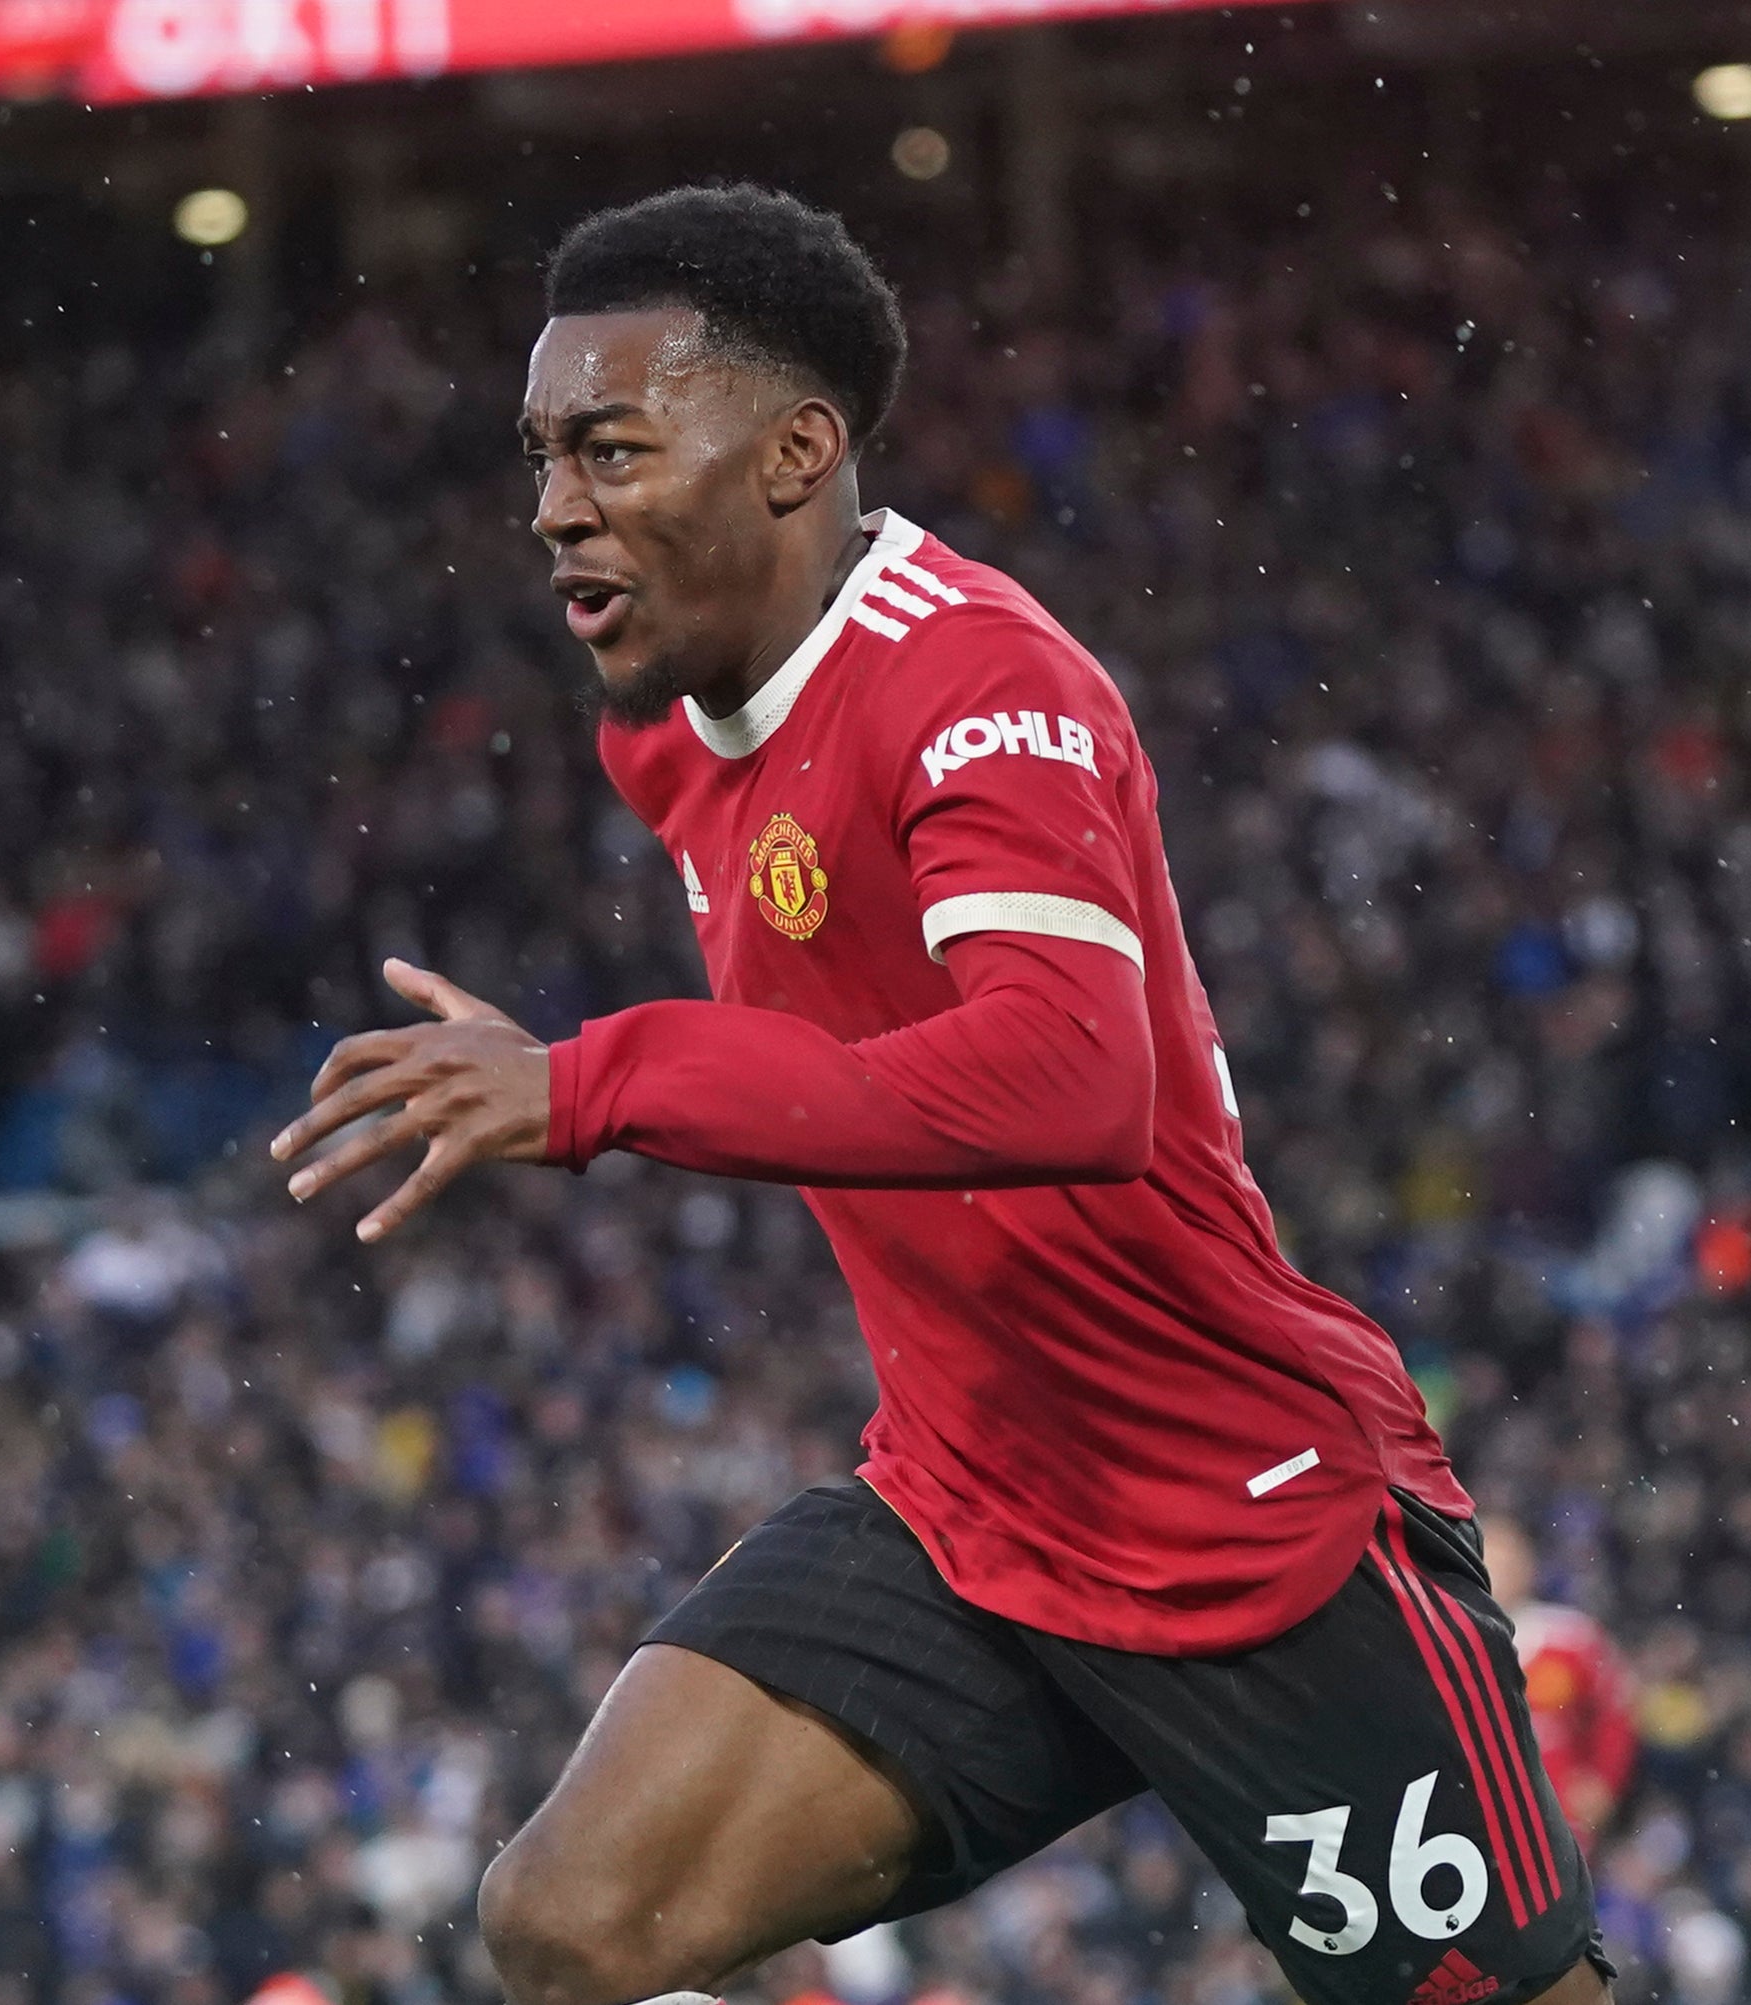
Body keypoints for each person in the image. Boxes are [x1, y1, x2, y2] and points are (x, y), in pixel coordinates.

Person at [268, 185, 1611, 2005]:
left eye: (608, 447)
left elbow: (1070, 1081)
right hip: (972, 1508)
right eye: (538, 456)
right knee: (575, 1924)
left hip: (1249, 1514)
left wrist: (596, 1078)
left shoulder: (981, 680)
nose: (552, 506)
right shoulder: (662, 728)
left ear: (793, 453)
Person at [1481, 1518, 1638, 1848]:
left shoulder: (1569, 1637)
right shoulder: (1440, 1636)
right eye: (1487, 1560)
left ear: (1528, 1568)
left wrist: (1604, 1781)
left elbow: (1616, 1710)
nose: (1497, 1574)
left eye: (1506, 1563)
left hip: (1556, 1815)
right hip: (1471, 1809)